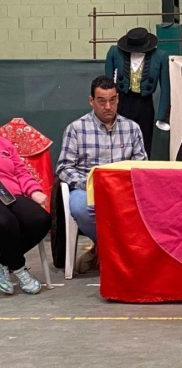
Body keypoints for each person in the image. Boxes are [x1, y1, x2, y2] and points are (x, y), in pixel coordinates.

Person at [56, 76, 147, 274]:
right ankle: (110, 248)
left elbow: (141, 166)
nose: (108, 106)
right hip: (87, 188)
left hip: (123, 189)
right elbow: (64, 168)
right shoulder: (76, 129)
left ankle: (101, 250)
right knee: (80, 207)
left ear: (118, 99)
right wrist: (86, 184)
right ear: (91, 101)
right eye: (101, 101)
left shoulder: (132, 128)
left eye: (112, 100)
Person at [105, 27, 170, 157]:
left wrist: (163, 116)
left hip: (145, 103)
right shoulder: (114, 52)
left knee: (145, 143)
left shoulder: (160, 56)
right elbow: (107, 85)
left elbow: (166, 87)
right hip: (122, 101)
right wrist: (110, 107)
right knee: (119, 142)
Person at [0, 137, 51, 295]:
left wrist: (34, 191)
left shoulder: (4, 142)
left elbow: (20, 171)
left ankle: (3, 262)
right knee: (5, 223)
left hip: (10, 193)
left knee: (40, 219)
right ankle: (19, 268)